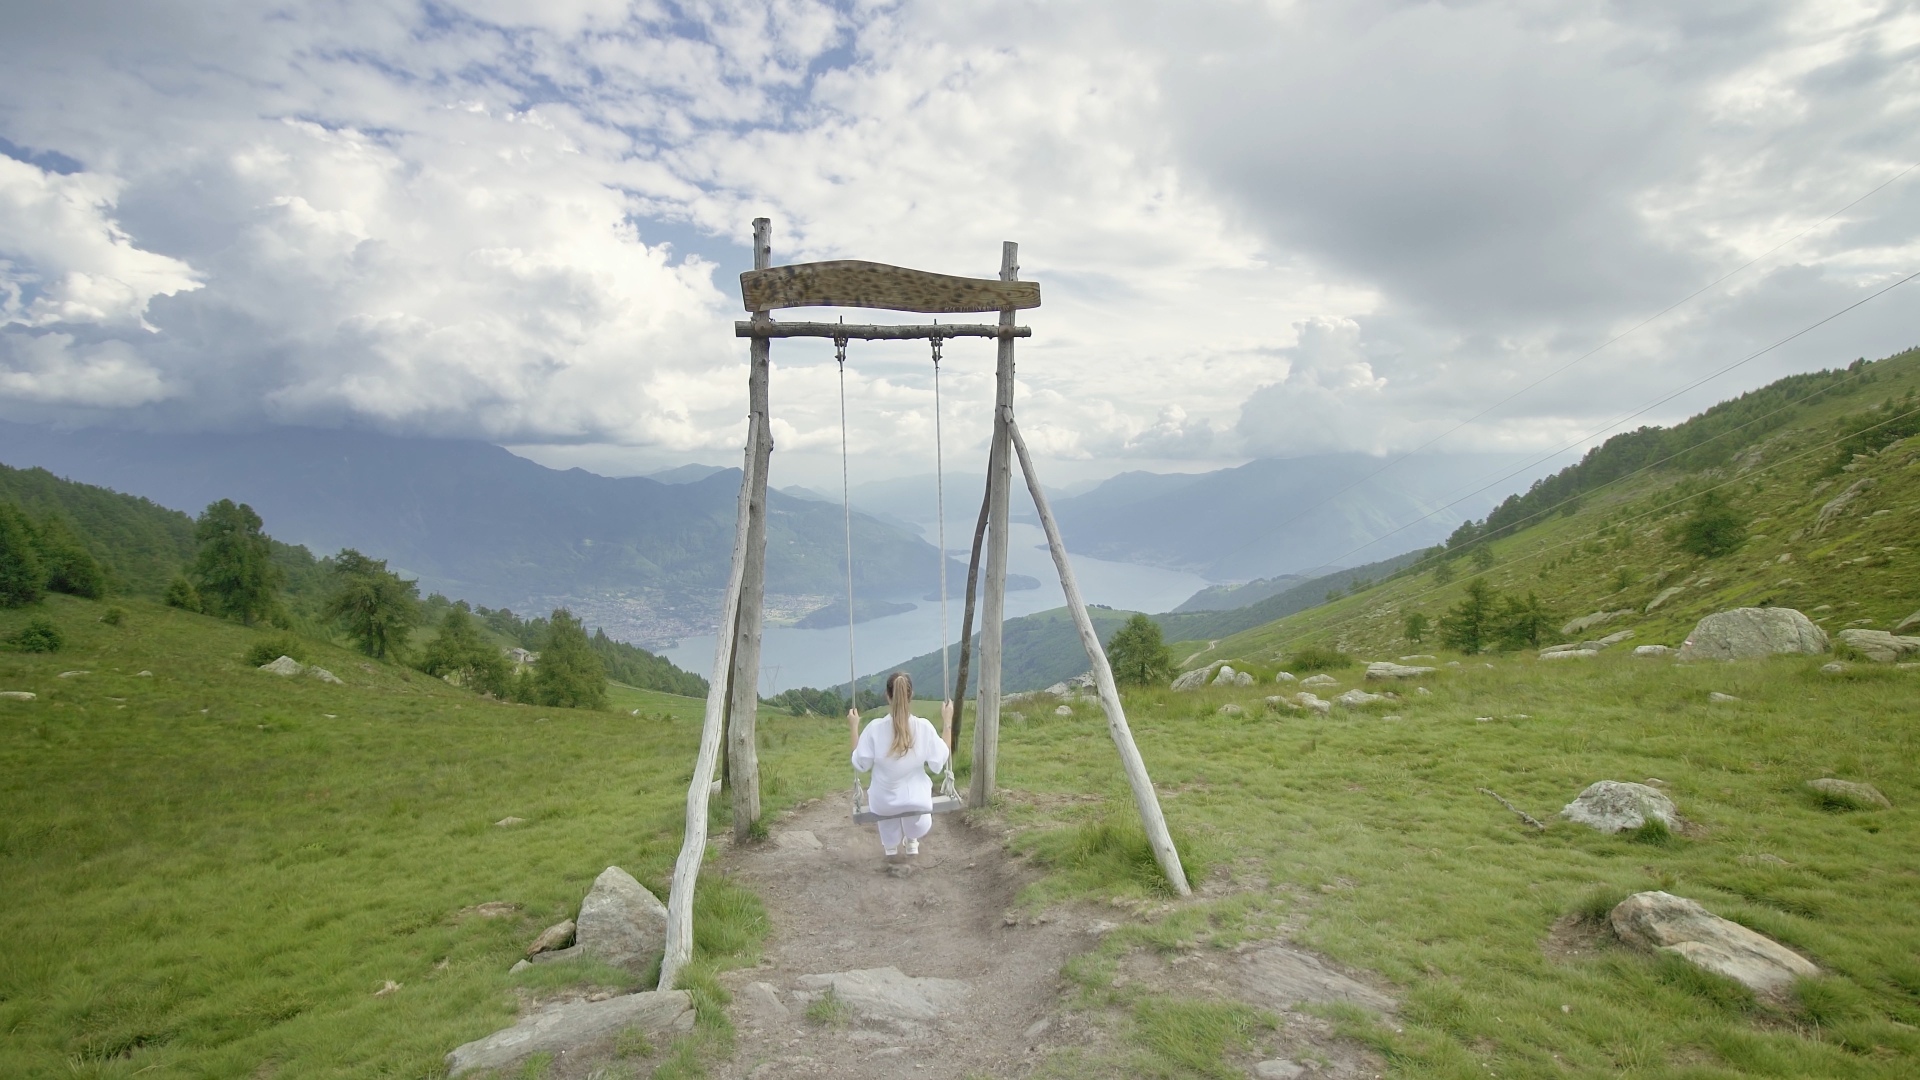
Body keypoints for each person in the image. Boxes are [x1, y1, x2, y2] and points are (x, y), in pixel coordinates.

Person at [848, 671, 953, 858]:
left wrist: (854, 727)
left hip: (883, 804)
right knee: (913, 803)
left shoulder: (874, 729)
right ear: (910, 695)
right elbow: (940, 760)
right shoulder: (924, 727)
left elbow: (860, 763)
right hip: (917, 801)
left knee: (885, 796)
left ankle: (890, 846)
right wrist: (947, 722)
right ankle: (912, 839)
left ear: (888, 696)